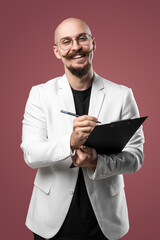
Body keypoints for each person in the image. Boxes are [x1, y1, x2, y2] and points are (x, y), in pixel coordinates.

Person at [20, 18, 145, 240]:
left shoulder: (123, 95)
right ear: (57, 51)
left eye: (82, 38)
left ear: (93, 43)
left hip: (105, 222)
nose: (76, 47)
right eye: (66, 42)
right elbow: (31, 154)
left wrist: (97, 162)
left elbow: (136, 157)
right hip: (50, 221)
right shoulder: (40, 94)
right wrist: (70, 141)